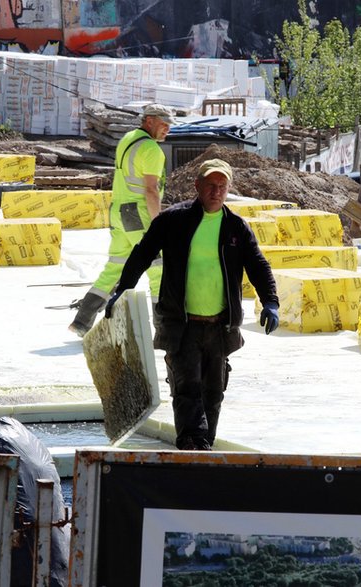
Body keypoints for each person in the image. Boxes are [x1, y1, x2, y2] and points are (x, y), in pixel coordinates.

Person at [105, 159, 280, 450]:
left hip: (220, 326)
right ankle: (191, 446)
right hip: (181, 324)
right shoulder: (174, 220)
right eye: (210, 185)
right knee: (187, 389)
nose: (216, 192)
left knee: (213, 393)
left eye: (222, 186)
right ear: (197, 186)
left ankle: (204, 447)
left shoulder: (235, 227)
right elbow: (143, 252)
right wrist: (123, 287)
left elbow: (258, 265)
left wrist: (270, 302)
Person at [68, 103, 176, 337]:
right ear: (148, 121)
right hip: (138, 214)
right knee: (159, 268)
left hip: (119, 211)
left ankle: (82, 321)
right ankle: (165, 329)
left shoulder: (128, 138)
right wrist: (159, 225)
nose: (167, 128)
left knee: (115, 267)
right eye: (163, 123)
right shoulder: (151, 150)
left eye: (169, 125)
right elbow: (150, 190)